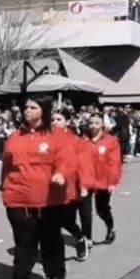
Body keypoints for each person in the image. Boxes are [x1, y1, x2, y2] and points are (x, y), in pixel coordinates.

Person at [1, 95, 75, 279]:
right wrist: (4, 185)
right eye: (26, 107)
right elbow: (7, 165)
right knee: (24, 243)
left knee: (50, 239)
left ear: (44, 110)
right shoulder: (15, 136)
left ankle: (55, 272)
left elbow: (67, 159)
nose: (27, 111)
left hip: (49, 199)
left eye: (33, 107)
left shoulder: (57, 136)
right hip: (18, 198)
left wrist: (61, 173)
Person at [52, 109, 94, 261]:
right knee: (55, 219)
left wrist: (84, 186)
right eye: (53, 119)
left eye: (59, 119)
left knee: (66, 219)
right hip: (52, 186)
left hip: (72, 185)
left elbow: (84, 165)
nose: (55, 122)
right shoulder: (46, 140)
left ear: (67, 122)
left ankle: (81, 238)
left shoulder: (75, 141)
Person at [83, 113, 122, 244]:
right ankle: (86, 239)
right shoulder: (83, 139)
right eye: (91, 123)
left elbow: (115, 163)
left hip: (103, 180)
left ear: (102, 125)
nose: (93, 126)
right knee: (86, 211)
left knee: (101, 209)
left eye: (96, 123)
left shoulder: (110, 141)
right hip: (86, 180)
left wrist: (113, 182)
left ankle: (111, 227)